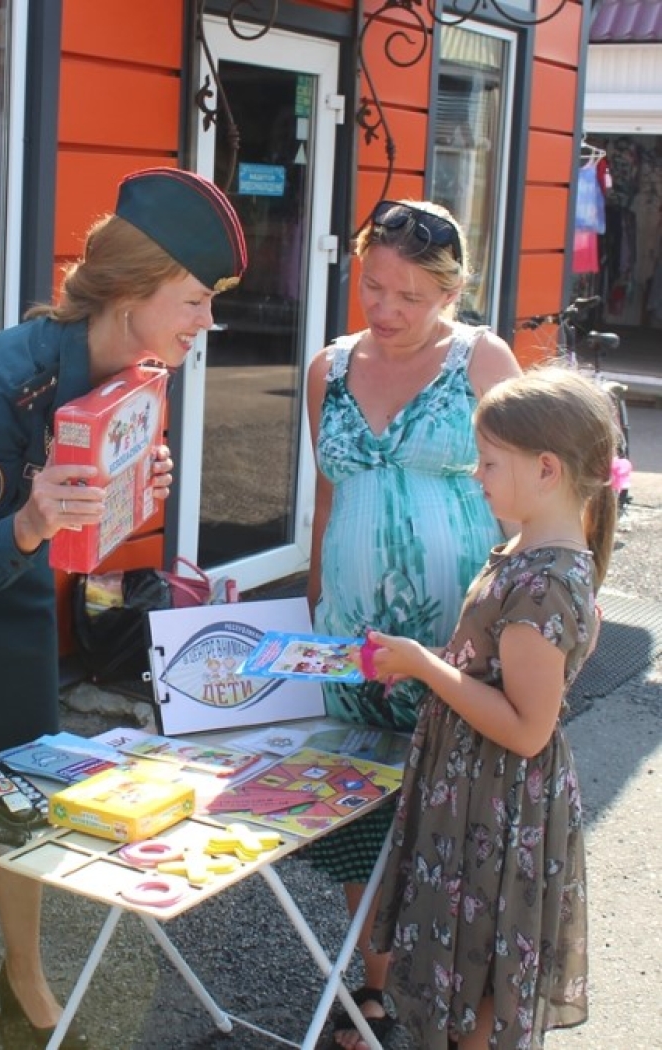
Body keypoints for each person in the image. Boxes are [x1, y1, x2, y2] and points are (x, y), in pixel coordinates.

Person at [0, 167, 247, 1049]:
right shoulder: (8, 376)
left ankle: (24, 968)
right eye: (193, 300)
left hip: (17, 564)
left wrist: (130, 492)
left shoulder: (140, 367)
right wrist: (37, 517)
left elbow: (82, 531)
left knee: (22, 772)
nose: (205, 324)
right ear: (131, 293)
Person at [303, 198, 522, 1048]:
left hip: (454, 633)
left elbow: (528, 497)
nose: (384, 310)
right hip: (356, 633)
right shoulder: (329, 367)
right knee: (362, 810)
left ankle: (460, 986)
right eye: (371, 287)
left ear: (450, 292)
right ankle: (379, 981)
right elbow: (328, 502)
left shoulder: (483, 358)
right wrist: (317, 616)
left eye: (407, 296)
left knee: (455, 806)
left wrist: (524, 622)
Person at [365, 365, 610, 1050]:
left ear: (546, 469)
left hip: (497, 802)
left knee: (485, 980)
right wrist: (424, 666)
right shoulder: (531, 552)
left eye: (490, 462)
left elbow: (528, 730)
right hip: (480, 792)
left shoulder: (541, 588)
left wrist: (423, 665)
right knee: (473, 971)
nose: (478, 475)